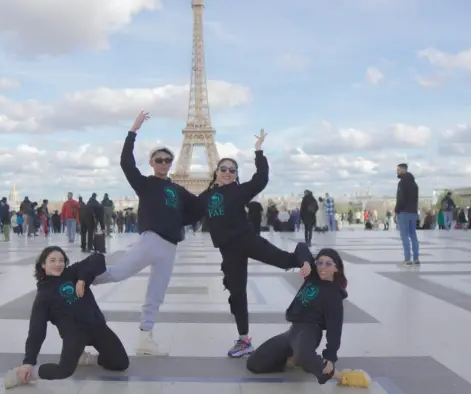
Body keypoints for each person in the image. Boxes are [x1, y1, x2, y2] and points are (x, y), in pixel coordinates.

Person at [82, 110, 201, 356]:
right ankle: (80, 281)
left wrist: (219, 185)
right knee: (119, 272)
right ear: (152, 163)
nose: (164, 164)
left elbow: (198, 208)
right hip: (152, 240)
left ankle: (146, 338)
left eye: (168, 160)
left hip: (170, 247)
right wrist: (132, 131)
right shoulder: (145, 184)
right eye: (159, 160)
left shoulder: (177, 190)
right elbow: (126, 163)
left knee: (156, 293)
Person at [195, 129, 307, 358]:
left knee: (283, 261)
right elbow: (188, 211)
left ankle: (306, 256)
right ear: (216, 172)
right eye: (223, 169)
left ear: (236, 175)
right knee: (237, 293)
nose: (227, 172)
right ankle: (244, 339)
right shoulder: (206, 197)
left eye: (232, 170)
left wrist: (258, 151)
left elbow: (261, 178)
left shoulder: (240, 191)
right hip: (228, 249)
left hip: (246, 240)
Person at [246, 243, 370, 388]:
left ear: (336, 268)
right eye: (320, 262)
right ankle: (293, 359)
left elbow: (334, 330)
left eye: (328, 264)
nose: (322, 267)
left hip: (310, 331)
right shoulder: (313, 276)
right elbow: (301, 247)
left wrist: (330, 357)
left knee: (305, 356)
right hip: (293, 331)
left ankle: (340, 376)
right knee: (254, 362)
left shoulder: (334, 296)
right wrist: (306, 263)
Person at [3, 246, 128, 389]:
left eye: (61, 260)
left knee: (121, 363)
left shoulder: (72, 273)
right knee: (64, 371)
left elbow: (98, 258)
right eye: (53, 260)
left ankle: (86, 358)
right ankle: (28, 374)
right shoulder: (43, 297)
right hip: (75, 335)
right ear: (43, 265)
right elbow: (37, 331)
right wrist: (29, 362)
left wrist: (82, 279)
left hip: (96, 327)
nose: (58, 264)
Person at [395, 163, 420, 266]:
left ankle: (407, 259)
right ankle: (416, 258)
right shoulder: (415, 184)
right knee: (413, 235)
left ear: (402, 170)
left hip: (404, 212)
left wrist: (397, 210)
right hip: (413, 212)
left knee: (404, 235)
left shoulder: (402, 183)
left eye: (398, 170)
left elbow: (401, 199)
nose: (397, 171)